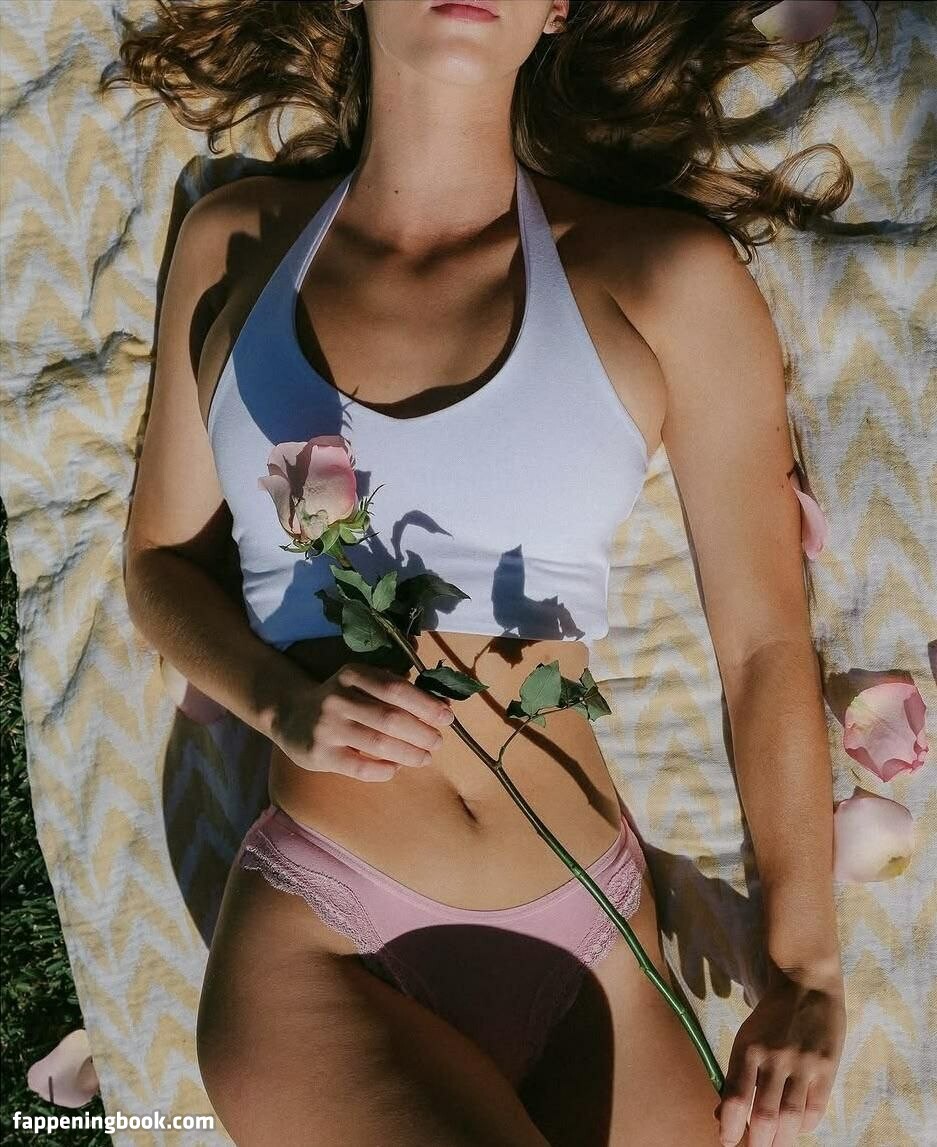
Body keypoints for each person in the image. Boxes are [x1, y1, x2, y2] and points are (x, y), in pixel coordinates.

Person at [110, 2, 849, 1143]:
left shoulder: (662, 276)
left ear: (555, 8)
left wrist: (804, 969)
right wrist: (280, 702)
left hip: (596, 938)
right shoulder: (238, 244)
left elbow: (763, 646)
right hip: (330, 940)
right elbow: (159, 562)